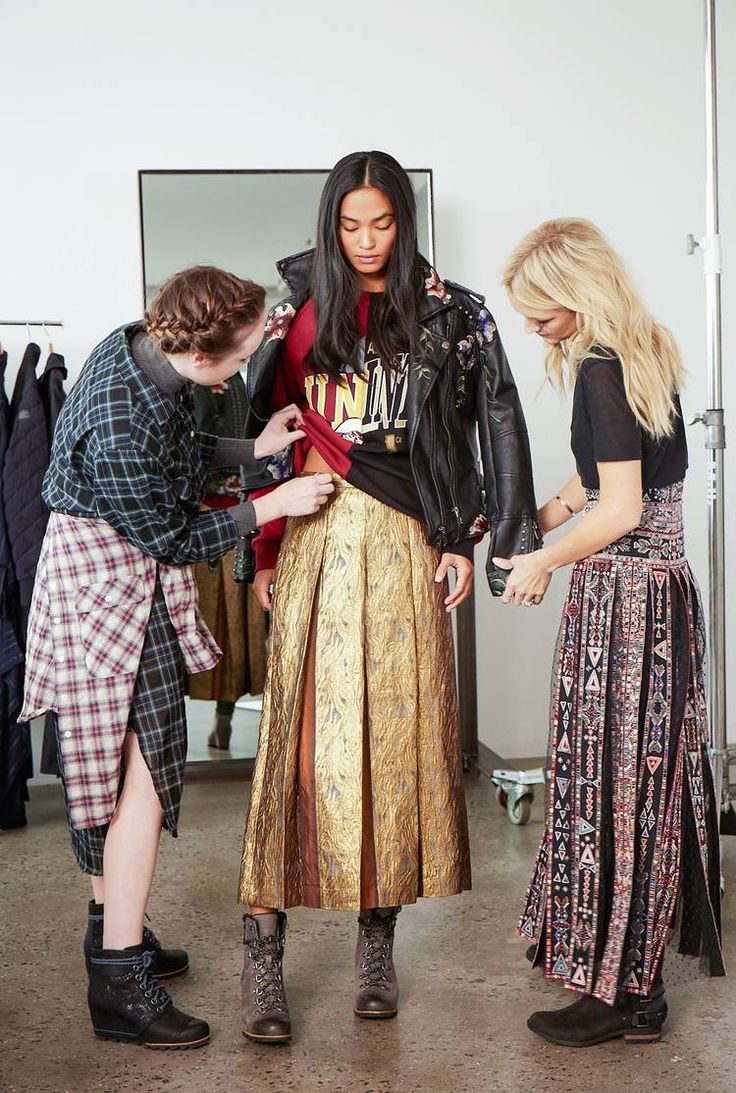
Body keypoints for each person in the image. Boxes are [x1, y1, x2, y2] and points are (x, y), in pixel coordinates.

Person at [235, 150, 540, 1044]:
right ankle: (264, 952)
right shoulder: (293, 316)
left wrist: (460, 539)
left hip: (408, 545)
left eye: (384, 222)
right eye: (351, 224)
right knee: (292, 745)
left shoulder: (449, 314)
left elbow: (489, 424)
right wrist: (261, 546)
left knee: (394, 743)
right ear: (331, 224)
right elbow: (268, 438)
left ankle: (376, 943)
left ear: (405, 221)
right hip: (317, 544)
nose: (368, 241)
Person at [20, 266, 334, 1050]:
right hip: (107, 588)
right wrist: (267, 503)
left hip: (116, 575)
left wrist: (250, 445)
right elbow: (169, 536)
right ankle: (119, 981)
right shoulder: (127, 415)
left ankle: (113, 924)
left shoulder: (136, 344)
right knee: (144, 772)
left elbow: (182, 446)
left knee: (121, 766)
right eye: (237, 360)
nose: (243, 368)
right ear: (202, 353)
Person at [497, 218, 725, 1047]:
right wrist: (554, 507)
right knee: (640, 791)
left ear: (578, 292)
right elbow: (611, 472)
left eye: (541, 311)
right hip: (659, 591)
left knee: (613, 791)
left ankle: (621, 991)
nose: (532, 326)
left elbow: (622, 508)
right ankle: (640, 987)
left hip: (626, 600)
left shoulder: (601, 367)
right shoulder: (644, 348)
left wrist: (543, 559)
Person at [189, 373, 267, 751]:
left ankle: (224, 717)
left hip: (214, 515)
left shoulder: (206, 381)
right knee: (234, 625)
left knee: (228, 624)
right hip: (231, 514)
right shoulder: (237, 381)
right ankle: (224, 717)